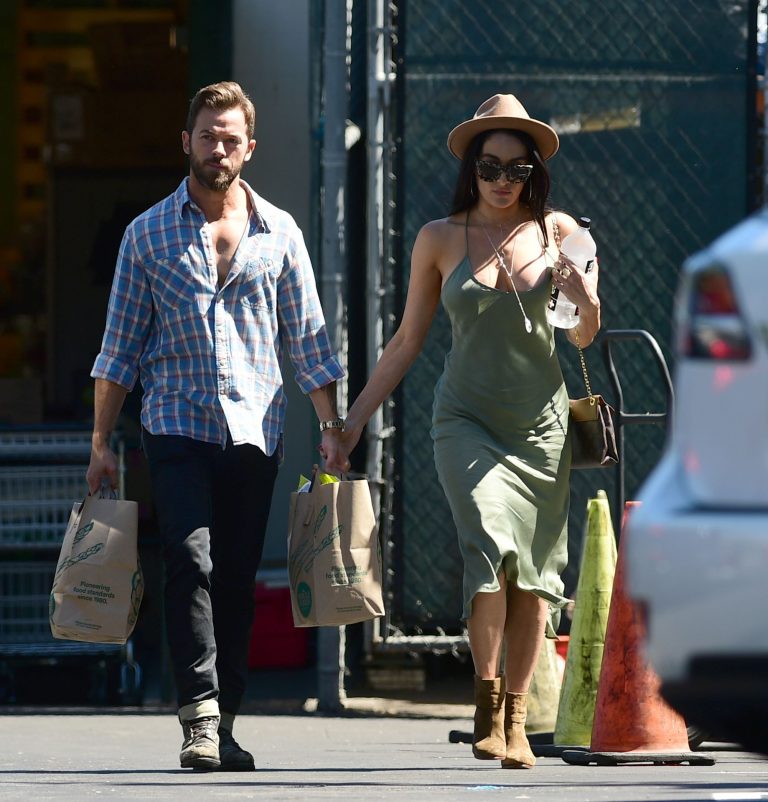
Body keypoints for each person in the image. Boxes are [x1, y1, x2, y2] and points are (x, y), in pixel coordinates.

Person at [325, 94, 600, 768]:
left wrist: (583, 293)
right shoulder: (440, 238)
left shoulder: (563, 232)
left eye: (516, 169)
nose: (502, 181)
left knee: (533, 577)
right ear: (470, 171)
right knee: (487, 547)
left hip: (540, 426)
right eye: (490, 167)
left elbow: (583, 333)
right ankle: (483, 702)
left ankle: (515, 717)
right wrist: (351, 422)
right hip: (465, 421)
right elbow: (405, 342)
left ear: (534, 173)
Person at [86, 81, 345, 771]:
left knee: (234, 578)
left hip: (255, 430)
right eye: (208, 135)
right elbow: (118, 351)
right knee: (189, 561)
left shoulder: (279, 232)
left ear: (249, 148)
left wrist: (332, 429)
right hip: (175, 426)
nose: (219, 147)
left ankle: (225, 720)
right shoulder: (147, 234)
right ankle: (197, 717)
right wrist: (100, 443)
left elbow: (309, 342)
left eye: (231, 137)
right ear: (186, 143)